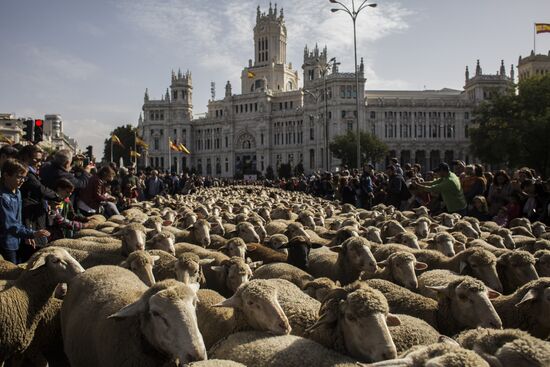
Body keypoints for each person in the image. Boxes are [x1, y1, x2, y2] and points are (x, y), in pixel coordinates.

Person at [0, 159, 50, 264]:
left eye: (24, 177)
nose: (22, 180)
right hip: (6, 243)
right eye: (19, 177)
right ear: (6, 175)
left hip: (17, 240)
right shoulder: (3, 197)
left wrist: (26, 235)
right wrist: (31, 234)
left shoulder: (17, 192)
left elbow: (18, 218)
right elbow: (10, 224)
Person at [18, 145, 60, 260]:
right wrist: (57, 196)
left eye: (40, 160)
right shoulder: (27, 175)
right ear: (25, 158)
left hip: (35, 218)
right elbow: (40, 189)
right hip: (30, 219)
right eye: (36, 160)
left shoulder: (33, 173)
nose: (39, 163)